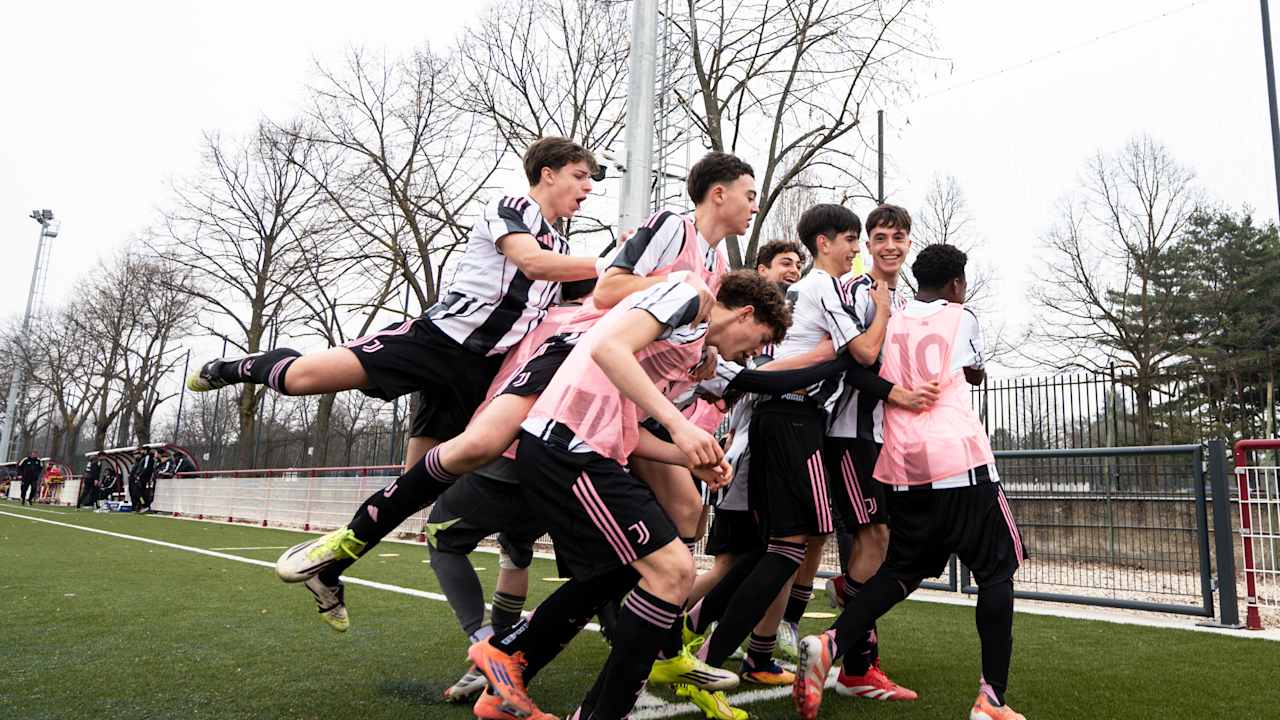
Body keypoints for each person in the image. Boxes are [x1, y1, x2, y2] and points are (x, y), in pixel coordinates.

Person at [272, 152, 755, 629]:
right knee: (479, 445)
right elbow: (609, 291)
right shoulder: (673, 226)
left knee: (686, 508)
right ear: (718, 193)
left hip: (616, 387)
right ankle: (346, 543)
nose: (754, 206)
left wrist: (703, 348)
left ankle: (657, 634)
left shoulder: (714, 264)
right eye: (749, 195)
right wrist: (672, 285)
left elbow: (671, 321)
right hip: (574, 352)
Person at [468, 271, 790, 720]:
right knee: (673, 569)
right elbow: (607, 348)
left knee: (627, 570)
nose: (757, 352)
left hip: (588, 451)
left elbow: (629, 431)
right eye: (761, 340)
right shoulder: (689, 295)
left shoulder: (689, 347)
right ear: (745, 313)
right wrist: (679, 425)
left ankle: (511, 660)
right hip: (570, 447)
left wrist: (686, 457)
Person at [187, 134, 601, 461]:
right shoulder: (511, 206)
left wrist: (643, 265)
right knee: (299, 381)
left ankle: (348, 553)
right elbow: (531, 262)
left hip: (481, 368)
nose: (586, 187)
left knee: (421, 481)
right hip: (437, 339)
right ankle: (233, 366)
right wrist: (608, 261)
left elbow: (600, 294)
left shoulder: (562, 247)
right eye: (579, 175)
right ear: (548, 174)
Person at [688, 205, 933, 681]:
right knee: (786, 548)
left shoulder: (809, 291)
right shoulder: (825, 288)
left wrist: (745, 379)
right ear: (825, 243)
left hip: (787, 421)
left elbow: (806, 363)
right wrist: (880, 315)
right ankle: (709, 655)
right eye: (854, 241)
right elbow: (860, 353)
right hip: (793, 423)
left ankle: (725, 644)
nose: (858, 250)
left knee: (776, 549)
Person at [793, 244, 1027, 720]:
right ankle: (992, 699)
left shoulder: (890, 320)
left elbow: (861, 370)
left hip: (904, 468)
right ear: (957, 284)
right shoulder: (962, 315)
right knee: (998, 572)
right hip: (961, 463)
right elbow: (973, 371)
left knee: (901, 571)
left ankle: (832, 641)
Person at [816, 203, 918, 701]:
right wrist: (896, 394)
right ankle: (853, 664)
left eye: (898, 237)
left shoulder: (908, 303)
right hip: (849, 434)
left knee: (881, 546)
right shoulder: (858, 292)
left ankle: (855, 652)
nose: (890, 246)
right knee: (874, 540)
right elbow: (850, 366)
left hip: (887, 440)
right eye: (880, 238)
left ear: (909, 242)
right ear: (869, 244)